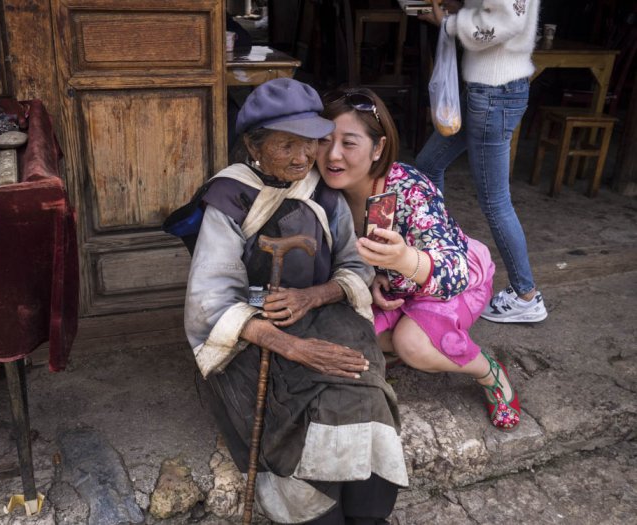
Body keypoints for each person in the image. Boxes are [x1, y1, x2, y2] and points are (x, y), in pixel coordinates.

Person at [184, 78, 408, 524]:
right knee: (298, 409)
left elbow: (355, 264)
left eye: (311, 143)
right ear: (254, 144)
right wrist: (293, 347)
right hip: (256, 331)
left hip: (325, 314)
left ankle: (368, 512)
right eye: (288, 145)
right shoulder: (229, 197)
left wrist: (315, 294)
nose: (305, 158)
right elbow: (210, 301)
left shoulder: (324, 191)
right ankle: (314, 511)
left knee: (362, 388)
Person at [316, 87, 520, 432]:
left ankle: (489, 372)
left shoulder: (409, 187)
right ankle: (402, 344)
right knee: (350, 334)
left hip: (452, 284)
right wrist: (374, 275)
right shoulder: (323, 193)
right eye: (323, 140)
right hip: (397, 288)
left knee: (413, 345)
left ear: (377, 147)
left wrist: (405, 260)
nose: (333, 155)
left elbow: (453, 269)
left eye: (349, 143)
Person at [415, 0, 548, 324]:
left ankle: (526, 295)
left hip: (493, 95)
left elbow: (504, 23)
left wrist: (448, 23)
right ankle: (441, 253)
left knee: (495, 201)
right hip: (489, 92)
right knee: (427, 165)